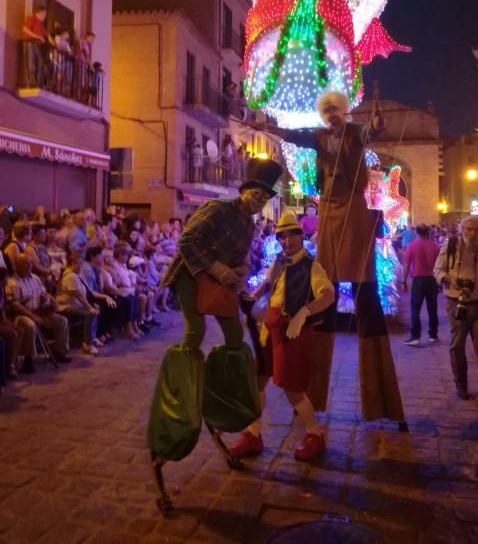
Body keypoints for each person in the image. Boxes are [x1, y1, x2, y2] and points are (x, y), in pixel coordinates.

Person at [252, 91, 405, 423]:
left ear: (344, 112)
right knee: (325, 292)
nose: (333, 116)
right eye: (328, 111)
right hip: (330, 215)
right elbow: (298, 136)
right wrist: (269, 127)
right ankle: (312, 396)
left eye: (337, 110)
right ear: (324, 115)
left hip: (356, 214)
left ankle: (379, 400)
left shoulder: (354, 132)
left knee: (367, 296)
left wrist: (377, 121)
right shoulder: (320, 137)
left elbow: (371, 131)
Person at [148, 158, 283, 470]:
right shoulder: (217, 208)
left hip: (220, 283)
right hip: (190, 274)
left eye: (264, 199)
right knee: (194, 332)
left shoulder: (249, 225)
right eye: (256, 195)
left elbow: (242, 258)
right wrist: (216, 267)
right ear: (245, 191)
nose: (259, 202)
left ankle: (221, 392)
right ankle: (185, 389)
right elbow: (187, 240)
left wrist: (242, 269)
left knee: (235, 336)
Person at [229, 211, 335, 461]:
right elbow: (268, 282)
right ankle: (253, 434)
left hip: (292, 333)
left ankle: (314, 435)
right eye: (282, 237)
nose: (287, 242)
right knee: (257, 382)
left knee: (293, 391)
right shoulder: (280, 260)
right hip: (269, 330)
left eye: (292, 236)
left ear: (300, 235)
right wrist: (253, 297)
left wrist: (303, 313)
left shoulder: (311, 265)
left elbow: (328, 295)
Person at [433, 216, 478, 407]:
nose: (472, 233)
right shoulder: (451, 244)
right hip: (457, 302)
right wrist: (449, 279)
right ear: (462, 229)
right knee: (457, 346)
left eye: (476, 229)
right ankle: (461, 385)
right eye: (468, 229)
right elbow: (437, 270)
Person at [5, 254, 71, 371]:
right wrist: (33, 316)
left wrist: (49, 300)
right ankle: (28, 360)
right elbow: (15, 305)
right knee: (30, 325)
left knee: (62, 320)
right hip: (22, 314)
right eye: (26, 263)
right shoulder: (12, 283)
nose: (29, 266)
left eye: (30, 263)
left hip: (40, 311)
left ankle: (58, 353)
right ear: (17, 266)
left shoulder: (35, 278)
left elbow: (44, 293)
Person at [402, 224, 440, 346]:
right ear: (427, 232)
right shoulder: (435, 246)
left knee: (415, 309)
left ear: (416, 233)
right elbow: (440, 265)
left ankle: (415, 336)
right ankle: (433, 334)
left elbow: (407, 265)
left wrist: (404, 281)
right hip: (432, 279)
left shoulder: (411, 246)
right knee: (432, 309)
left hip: (418, 280)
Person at [56, 256, 100, 355]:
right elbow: (78, 295)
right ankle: (87, 344)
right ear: (71, 264)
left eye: (81, 264)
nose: (80, 266)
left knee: (96, 308)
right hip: (66, 305)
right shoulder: (71, 276)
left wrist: (92, 305)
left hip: (76, 304)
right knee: (89, 313)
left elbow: (84, 293)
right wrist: (89, 307)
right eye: (77, 264)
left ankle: (92, 337)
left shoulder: (78, 276)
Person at [21, 6, 49, 87]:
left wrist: (52, 41)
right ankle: (31, 83)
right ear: (41, 13)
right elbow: (24, 29)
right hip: (29, 42)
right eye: (45, 15)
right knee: (31, 62)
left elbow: (46, 34)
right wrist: (37, 37)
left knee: (40, 62)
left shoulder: (41, 24)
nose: (45, 17)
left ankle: (37, 82)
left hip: (36, 45)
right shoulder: (31, 18)